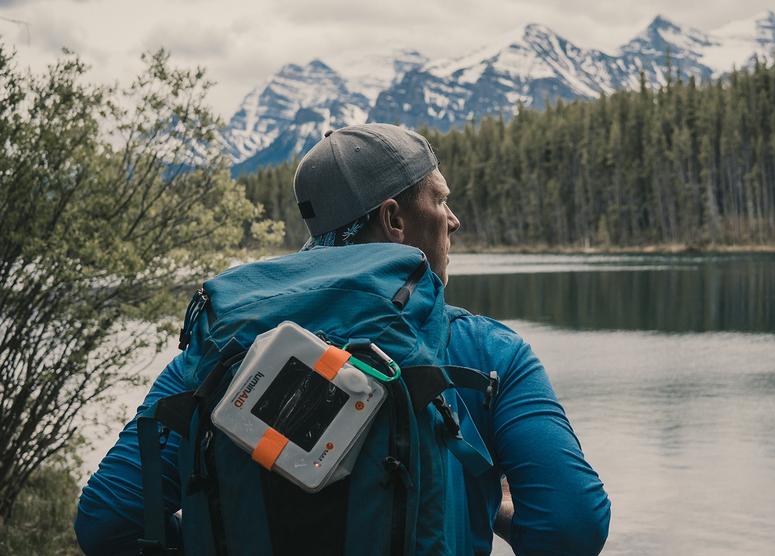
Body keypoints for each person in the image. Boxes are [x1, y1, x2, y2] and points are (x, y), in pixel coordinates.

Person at [75, 123, 611, 555]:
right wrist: (490, 506)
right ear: (394, 219)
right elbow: (572, 529)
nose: (454, 219)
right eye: (440, 200)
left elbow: (106, 524)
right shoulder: (486, 354)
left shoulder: (216, 353)